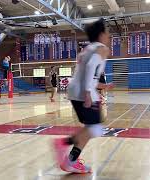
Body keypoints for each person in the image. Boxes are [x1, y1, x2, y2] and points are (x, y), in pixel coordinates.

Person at [52, 19, 114, 174]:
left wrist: (103, 86)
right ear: (101, 35)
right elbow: (91, 67)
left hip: (74, 90)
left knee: (91, 128)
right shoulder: (101, 48)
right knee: (95, 129)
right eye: (107, 32)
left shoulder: (87, 49)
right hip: (83, 92)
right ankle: (63, 144)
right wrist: (87, 92)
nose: (109, 36)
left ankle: (71, 161)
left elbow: (87, 74)